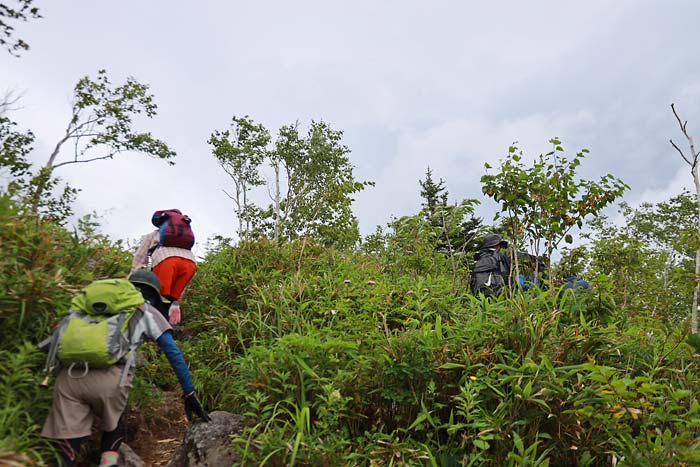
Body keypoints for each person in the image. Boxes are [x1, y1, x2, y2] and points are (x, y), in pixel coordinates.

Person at [41, 271, 210, 467]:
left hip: (67, 379)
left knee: (66, 450)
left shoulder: (83, 307)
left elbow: (54, 338)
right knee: (114, 424)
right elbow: (173, 353)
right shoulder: (145, 309)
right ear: (154, 294)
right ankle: (108, 460)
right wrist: (189, 393)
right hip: (110, 382)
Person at [131, 209, 197, 325]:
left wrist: (131, 279)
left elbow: (140, 258)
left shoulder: (152, 235)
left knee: (157, 298)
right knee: (170, 300)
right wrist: (177, 302)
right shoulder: (183, 238)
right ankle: (168, 327)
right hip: (190, 263)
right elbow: (181, 274)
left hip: (166, 261)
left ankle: (152, 330)